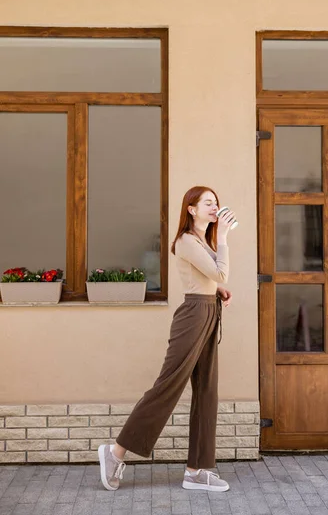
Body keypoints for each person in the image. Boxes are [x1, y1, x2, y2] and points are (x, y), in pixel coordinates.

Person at [98, 186, 236, 492]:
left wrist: (216, 291)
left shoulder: (202, 240)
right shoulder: (186, 240)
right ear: (191, 209)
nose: (215, 208)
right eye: (208, 203)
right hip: (193, 317)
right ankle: (115, 451)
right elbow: (220, 272)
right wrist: (224, 239)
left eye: (217, 203)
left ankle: (197, 470)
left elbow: (211, 278)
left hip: (208, 311)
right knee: (168, 387)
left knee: (207, 391)